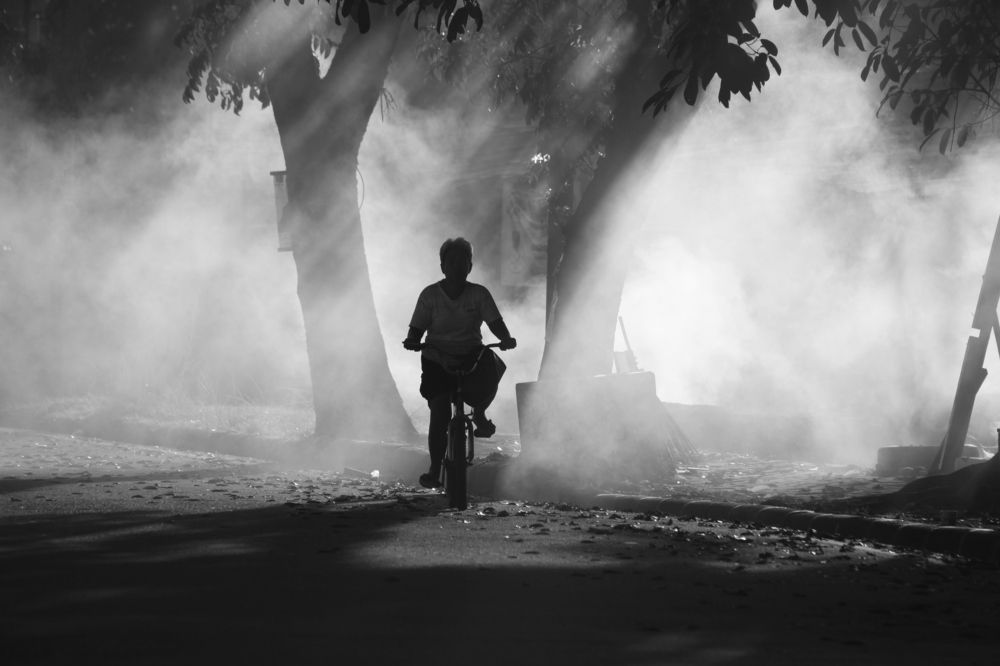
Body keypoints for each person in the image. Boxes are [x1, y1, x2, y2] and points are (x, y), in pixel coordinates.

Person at [403, 237, 517, 489]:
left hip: (472, 357)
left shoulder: (479, 294)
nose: (457, 267)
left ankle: (479, 413)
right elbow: (416, 329)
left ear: (470, 266)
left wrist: (506, 338)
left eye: (462, 262)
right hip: (437, 359)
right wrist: (412, 340)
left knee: (493, 366)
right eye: (451, 262)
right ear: (442, 266)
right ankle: (434, 468)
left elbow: (495, 323)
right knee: (440, 411)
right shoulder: (430, 295)